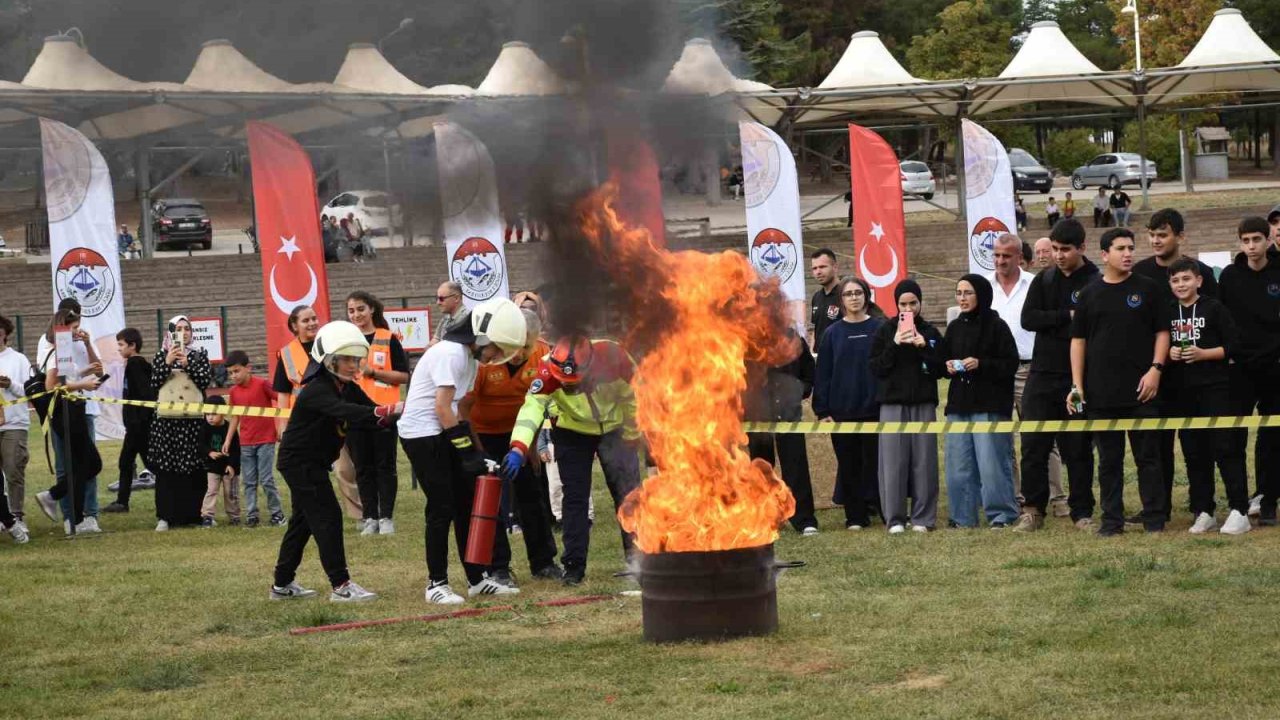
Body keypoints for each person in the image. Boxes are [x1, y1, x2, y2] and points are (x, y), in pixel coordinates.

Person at [401, 299, 529, 603]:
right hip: (422, 435)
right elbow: (442, 408)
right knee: (441, 507)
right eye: (496, 348)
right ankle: (436, 584)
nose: (497, 356)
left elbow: (458, 411)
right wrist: (467, 453)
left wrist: (475, 450)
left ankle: (476, 579)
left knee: (465, 505)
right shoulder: (449, 353)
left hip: (442, 429)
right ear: (482, 337)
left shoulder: (469, 361)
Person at [271, 320, 402, 603]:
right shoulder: (318, 389)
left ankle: (281, 584)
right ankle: (341, 586)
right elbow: (350, 412)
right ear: (330, 360)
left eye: (357, 359)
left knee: (303, 522)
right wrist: (385, 410)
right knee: (327, 517)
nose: (355, 365)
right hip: (300, 462)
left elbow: (370, 411)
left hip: (312, 462)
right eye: (347, 359)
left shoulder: (346, 386)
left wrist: (396, 414)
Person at [501, 333, 643, 587]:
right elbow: (531, 408)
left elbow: (635, 397)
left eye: (574, 384)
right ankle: (573, 567)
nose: (569, 388)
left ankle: (639, 560)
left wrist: (631, 437)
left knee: (628, 494)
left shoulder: (615, 357)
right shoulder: (547, 368)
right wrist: (519, 446)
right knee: (575, 498)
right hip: (572, 432)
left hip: (615, 428)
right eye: (564, 384)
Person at [1069, 228, 1171, 536]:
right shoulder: (1089, 293)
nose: (1128, 253)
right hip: (1101, 393)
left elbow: (1162, 333)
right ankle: (1112, 521)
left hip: (1142, 391)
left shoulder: (1149, 289)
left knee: (1148, 458)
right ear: (1104, 255)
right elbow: (1078, 341)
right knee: (1109, 461)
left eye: (1130, 247)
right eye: (1120, 248)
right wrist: (1077, 385)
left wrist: (1156, 369)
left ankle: (1155, 519)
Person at [460, 309, 562, 582]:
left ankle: (543, 562)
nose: (523, 352)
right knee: (491, 499)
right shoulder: (485, 360)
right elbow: (465, 409)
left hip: (522, 434)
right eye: (520, 345)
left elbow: (541, 402)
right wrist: (479, 451)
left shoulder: (543, 354)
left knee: (532, 497)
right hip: (485, 434)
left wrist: (530, 445)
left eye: (529, 345)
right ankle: (498, 567)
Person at [1013, 219, 1100, 532]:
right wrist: (1066, 316)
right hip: (1042, 374)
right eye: (1055, 249)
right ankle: (1032, 509)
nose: (1059, 255)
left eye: (1065, 250)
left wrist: (1066, 322)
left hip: (1077, 376)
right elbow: (1028, 319)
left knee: (1076, 447)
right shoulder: (1044, 280)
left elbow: (1092, 324)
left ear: (1082, 248)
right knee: (1034, 444)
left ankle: (1082, 511)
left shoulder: (1095, 280)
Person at [1134, 207, 1220, 521]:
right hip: (1156, 374)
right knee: (1155, 446)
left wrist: (1201, 352)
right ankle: (1157, 508)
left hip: (1196, 376)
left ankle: (1202, 506)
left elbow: (1214, 319)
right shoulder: (1140, 272)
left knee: (1197, 443)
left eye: (1163, 234)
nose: (1156, 240)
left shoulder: (1202, 273)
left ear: (1180, 236)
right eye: (1152, 234)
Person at [1164, 257, 1250, 534]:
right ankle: (1204, 510)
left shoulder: (1214, 308)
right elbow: (1159, 346)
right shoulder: (1167, 312)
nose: (1181, 284)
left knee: (1226, 448)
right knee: (1194, 452)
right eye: (1175, 280)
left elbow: (1235, 346)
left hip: (1217, 388)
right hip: (1183, 392)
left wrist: (1204, 354)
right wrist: (1170, 353)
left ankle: (1239, 510)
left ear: (1199, 280)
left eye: (1186, 279)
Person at [987, 234, 1066, 513]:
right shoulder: (986, 288)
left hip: (1032, 368)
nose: (1000, 261)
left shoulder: (1037, 284)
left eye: (1006, 256)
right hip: (997, 373)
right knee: (1004, 439)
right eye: (996, 255)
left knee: (1041, 436)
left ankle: (1057, 498)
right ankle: (1020, 498)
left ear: (1020, 257)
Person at [942, 274, 1020, 529]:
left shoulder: (997, 326)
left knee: (992, 464)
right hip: (959, 405)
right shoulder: (954, 327)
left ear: (982, 295)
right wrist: (948, 366)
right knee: (958, 464)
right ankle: (962, 517)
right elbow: (942, 361)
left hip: (989, 404)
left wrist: (981, 364)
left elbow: (1010, 364)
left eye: (968, 293)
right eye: (959, 293)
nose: (962, 298)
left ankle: (1002, 515)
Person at [1218, 216, 1280, 526]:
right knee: (1232, 438)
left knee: (1272, 438)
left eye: (1257, 239)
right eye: (1246, 240)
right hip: (1239, 369)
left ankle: (1268, 500)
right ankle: (1238, 504)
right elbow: (1222, 321)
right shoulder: (1229, 276)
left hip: (1275, 369)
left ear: (1269, 240)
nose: (1252, 246)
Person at [869, 279, 943, 533]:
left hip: (923, 403)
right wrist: (896, 343)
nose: (908, 309)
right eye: (903, 304)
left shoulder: (931, 332)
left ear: (920, 303)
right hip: (892, 404)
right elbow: (876, 367)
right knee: (893, 463)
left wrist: (924, 347)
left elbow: (940, 369)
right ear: (896, 305)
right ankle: (895, 519)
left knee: (924, 461)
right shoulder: (884, 330)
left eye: (913, 303)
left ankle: (923, 518)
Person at [814, 276, 884, 529]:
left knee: (877, 463)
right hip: (842, 410)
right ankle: (855, 516)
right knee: (849, 464)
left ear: (866, 296)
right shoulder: (832, 334)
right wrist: (822, 411)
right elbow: (822, 374)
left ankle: (884, 510)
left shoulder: (880, 328)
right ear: (841, 300)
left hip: (875, 409)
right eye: (848, 294)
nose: (854, 298)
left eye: (858, 293)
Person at [36, 301, 104, 533]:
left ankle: (73, 516)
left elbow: (67, 377)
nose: (78, 331)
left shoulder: (64, 350)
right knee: (91, 463)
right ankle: (54, 497)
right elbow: (51, 385)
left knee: (83, 464)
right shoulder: (56, 350)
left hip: (74, 410)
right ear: (63, 327)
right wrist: (83, 384)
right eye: (74, 327)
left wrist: (83, 374)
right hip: (66, 412)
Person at [346, 291, 409, 536]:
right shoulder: (346, 341)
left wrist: (374, 373)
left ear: (372, 309)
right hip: (356, 414)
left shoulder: (388, 338)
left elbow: (403, 376)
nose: (356, 315)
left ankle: (386, 518)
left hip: (384, 414)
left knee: (385, 466)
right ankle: (370, 516)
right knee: (362, 468)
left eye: (360, 309)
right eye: (351, 311)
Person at [746, 327, 819, 536]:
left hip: (788, 416)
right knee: (761, 470)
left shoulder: (791, 336)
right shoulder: (745, 339)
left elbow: (808, 369)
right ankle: (765, 520)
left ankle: (804, 519)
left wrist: (800, 390)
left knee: (796, 467)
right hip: (758, 418)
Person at [148, 315, 212, 531]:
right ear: (170, 332)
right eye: (178, 329)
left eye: (187, 328)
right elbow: (154, 383)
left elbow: (205, 380)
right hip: (166, 421)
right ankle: (165, 517)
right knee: (167, 469)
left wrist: (188, 363)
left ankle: (193, 515)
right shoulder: (160, 355)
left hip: (193, 421)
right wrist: (168, 362)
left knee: (193, 468)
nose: (183, 333)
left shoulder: (199, 354)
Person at [271, 305, 331, 526]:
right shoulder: (286, 354)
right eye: (306, 320)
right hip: (301, 422)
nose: (313, 323)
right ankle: (303, 512)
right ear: (294, 326)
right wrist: (282, 426)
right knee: (303, 470)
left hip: (329, 417)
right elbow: (284, 394)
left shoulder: (328, 346)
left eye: (314, 318)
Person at [223, 350, 282, 529]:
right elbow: (235, 417)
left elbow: (282, 400)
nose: (234, 375)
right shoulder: (233, 392)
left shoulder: (263, 384)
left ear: (248, 368)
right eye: (231, 373)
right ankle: (251, 515)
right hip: (246, 443)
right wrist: (228, 440)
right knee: (248, 481)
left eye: (237, 371)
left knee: (266, 479)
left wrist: (280, 427)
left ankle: (277, 514)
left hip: (266, 440)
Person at [104, 328, 153, 513]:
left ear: (132, 346)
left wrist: (137, 420)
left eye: (121, 344)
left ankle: (122, 502)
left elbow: (145, 393)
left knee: (136, 462)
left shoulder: (135, 364)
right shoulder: (133, 364)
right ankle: (122, 502)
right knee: (129, 462)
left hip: (138, 425)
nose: (118, 348)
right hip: (136, 424)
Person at [0, 314, 31, 531]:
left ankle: (16, 515)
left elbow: (29, 391)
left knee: (13, 470)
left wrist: (10, 384)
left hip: (14, 423)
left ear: (6, 335)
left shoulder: (18, 359)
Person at [200, 396, 241, 528]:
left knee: (230, 493)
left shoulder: (230, 429)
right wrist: (209, 452)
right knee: (211, 491)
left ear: (223, 412)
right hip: (213, 467)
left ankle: (234, 516)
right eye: (208, 414)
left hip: (229, 468)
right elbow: (201, 444)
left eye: (214, 413)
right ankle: (207, 516)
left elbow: (235, 449)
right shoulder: (205, 427)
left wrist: (231, 465)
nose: (210, 417)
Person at [809, 248, 842, 349]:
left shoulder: (846, 294)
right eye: (815, 268)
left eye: (822, 267)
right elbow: (816, 330)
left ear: (835, 267)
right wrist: (812, 353)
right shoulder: (816, 297)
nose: (818, 272)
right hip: (821, 358)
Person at [432, 281, 464, 346]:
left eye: (441, 298)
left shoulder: (466, 320)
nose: (438, 302)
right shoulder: (446, 318)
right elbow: (434, 341)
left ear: (456, 298)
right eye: (437, 298)